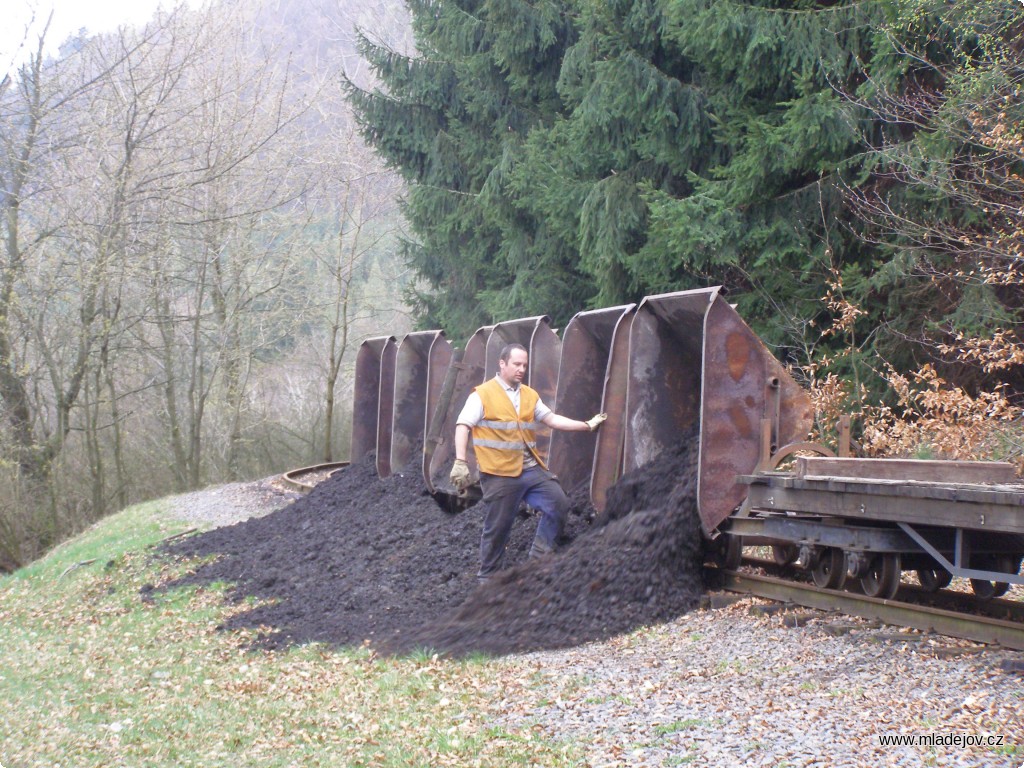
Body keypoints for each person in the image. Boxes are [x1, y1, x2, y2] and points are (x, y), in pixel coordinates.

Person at [450, 343, 607, 583]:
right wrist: (460, 461)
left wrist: (586, 425)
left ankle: (538, 560)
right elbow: (463, 426)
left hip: (529, 469)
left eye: (524, 365)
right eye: (516, 364)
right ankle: (488, 580)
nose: (521, 369)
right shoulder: (481, 395)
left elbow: (552, 419)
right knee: (498, 527)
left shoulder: (529, 395)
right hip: (499, 473)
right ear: (502, 364)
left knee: (558, 503)